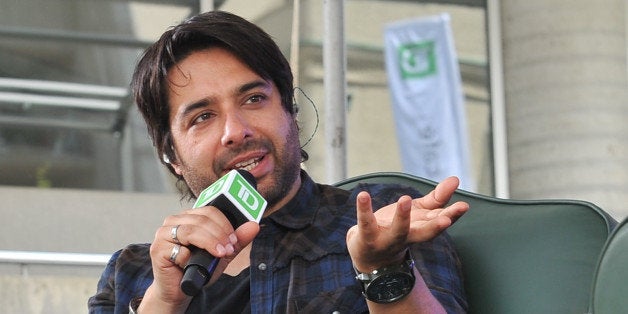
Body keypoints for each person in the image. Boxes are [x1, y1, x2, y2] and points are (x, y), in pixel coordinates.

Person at [88, 10, 469, 314]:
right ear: (170, 155)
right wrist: (165, 304)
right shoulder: (132, 274)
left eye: (254, 99)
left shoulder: (385, 218)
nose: (234, 131)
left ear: (291, 111)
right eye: (202, 117)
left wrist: (384, 270)